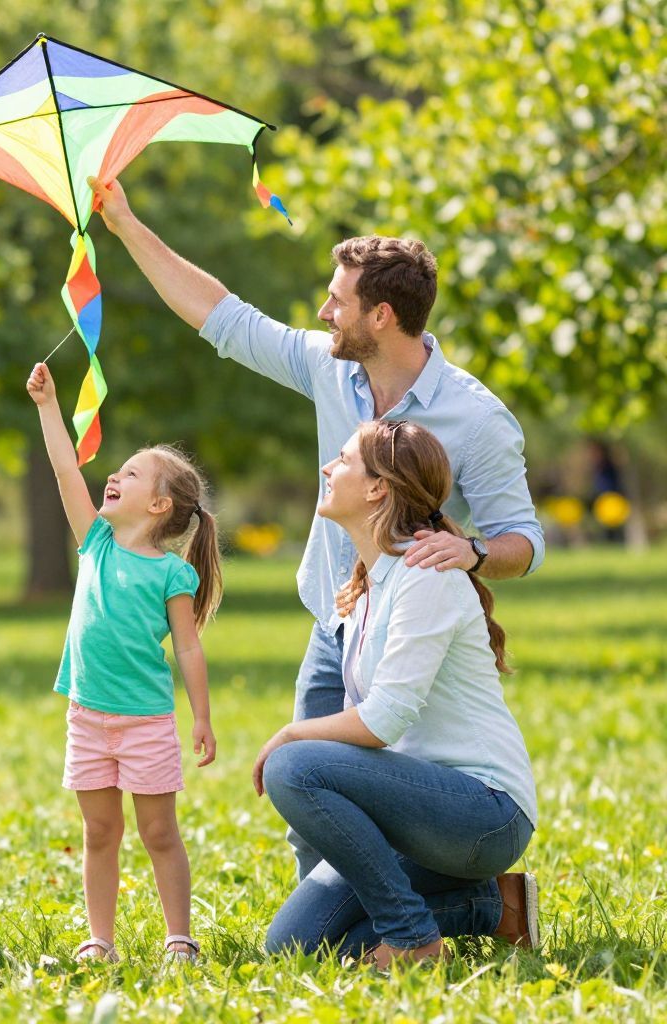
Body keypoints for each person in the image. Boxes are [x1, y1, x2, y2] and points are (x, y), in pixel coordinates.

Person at [88, 177, 545, 880]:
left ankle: (425, 912)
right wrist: (122, 223)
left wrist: (475, 551)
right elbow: (223, 317)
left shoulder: (476, 420)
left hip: (409, 627)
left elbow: (524, 542)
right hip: (335, 622)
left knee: (339, 779)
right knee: (307, 811)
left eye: (339, 300)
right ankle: (340, 930)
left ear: (384, 316)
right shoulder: (333, 371)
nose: (325, 311)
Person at [253, 420, 539, 968]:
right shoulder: (366, 589)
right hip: (419, 819)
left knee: (293, 766)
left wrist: (291, 733)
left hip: (483, 814)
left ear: (377, 487)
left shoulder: (426, 577)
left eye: (341, 460)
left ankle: (413, 939)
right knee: (293, 948)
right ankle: (487, 906)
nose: (327, 468)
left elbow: (379, 722)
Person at [27, 362, 220, 965]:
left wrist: (202, 719)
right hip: (88, 718)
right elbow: (65, 468)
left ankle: (179, 938)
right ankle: (100, 940)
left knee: (159, 833)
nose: (114, 474)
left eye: (131, 473)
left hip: (146, 722)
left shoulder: (170, 572)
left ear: (159, 504)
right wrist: (48, 406)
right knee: (99, 833)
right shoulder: (95, 542)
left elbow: (188, 648)